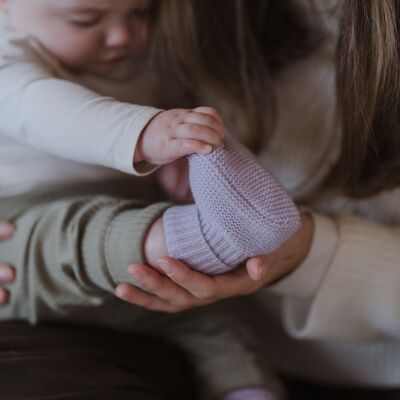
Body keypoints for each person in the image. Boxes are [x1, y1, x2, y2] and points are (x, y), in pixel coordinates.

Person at [0, 0, 314, 399]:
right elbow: (43, 107)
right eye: (87, 19)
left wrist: (181, 159)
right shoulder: (7, 49)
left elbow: (175, 100)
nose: (122, 37)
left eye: (141, 12)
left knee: (210, 309)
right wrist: (146, 132)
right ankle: (200, 237)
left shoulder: (139, 54)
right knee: (77, 234)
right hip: (24, 232)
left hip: (131, 247)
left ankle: (246, 387)